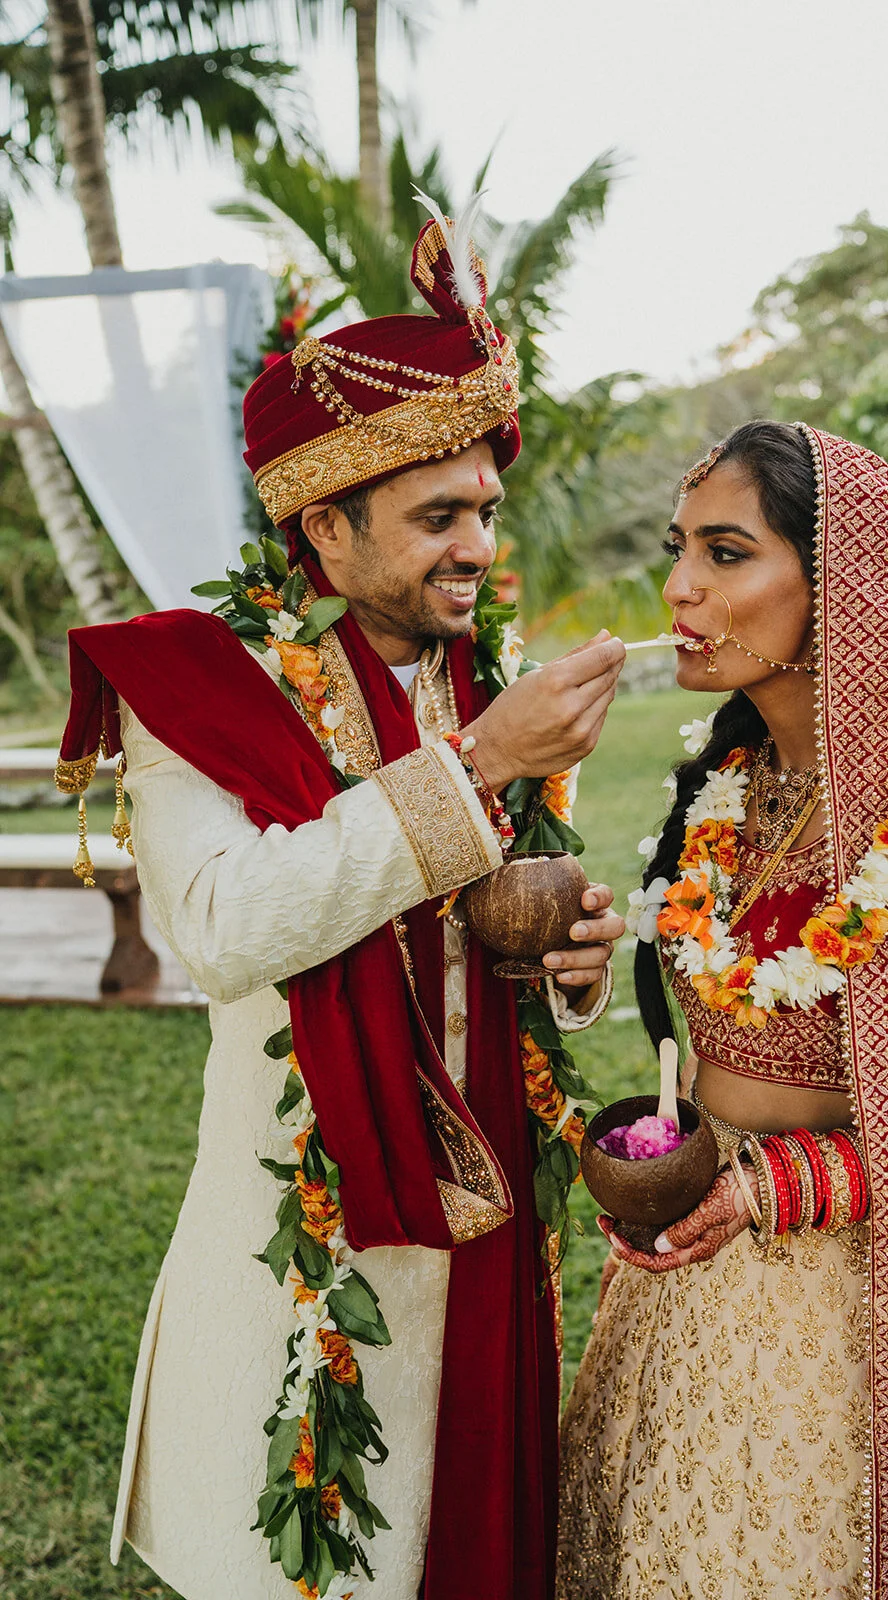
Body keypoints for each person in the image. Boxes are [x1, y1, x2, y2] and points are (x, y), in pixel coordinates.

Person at [54, 212, 626, 1600]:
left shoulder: (464, 668)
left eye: (485, 510)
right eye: (440, 516)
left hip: (483, 1200)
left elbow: (479, 908)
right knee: (323, 1556)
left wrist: (565, 959)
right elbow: (223, 927)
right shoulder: (195, 690)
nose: (478, 548)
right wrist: (483, 765)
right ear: (324, 521)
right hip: (308, 1236)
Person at [556, 420, 888, 1599]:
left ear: (837, 582)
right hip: (680, 1275)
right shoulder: (725, 790)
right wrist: (584, 967)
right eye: (678, 549)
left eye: (724, 554)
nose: (678, 588)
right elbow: (715, 1005)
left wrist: (783, 1183)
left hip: (846, 1314)